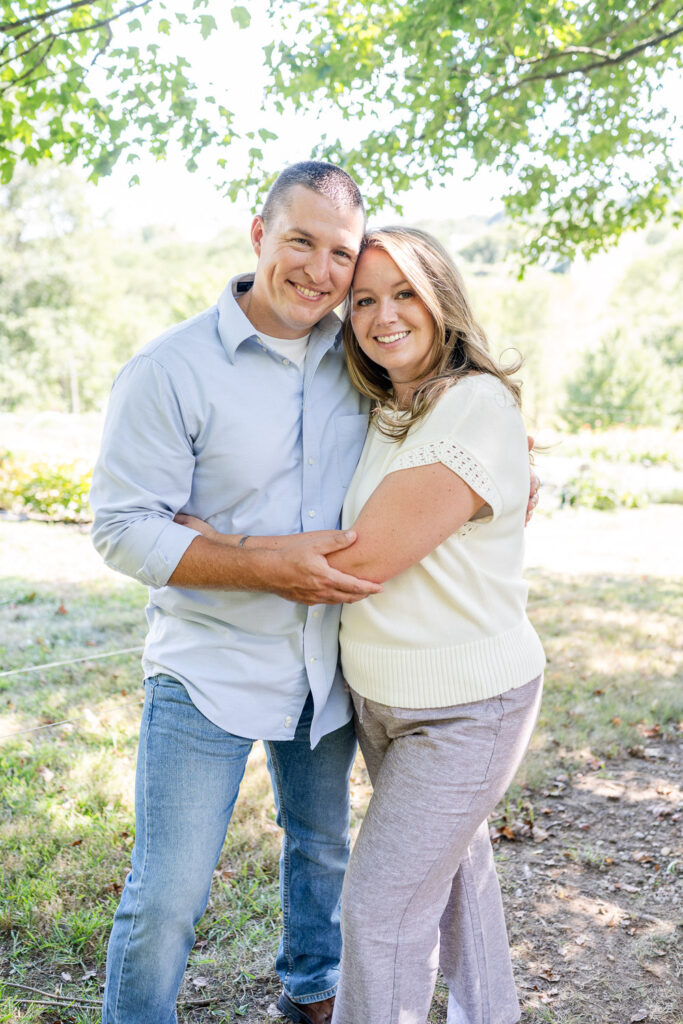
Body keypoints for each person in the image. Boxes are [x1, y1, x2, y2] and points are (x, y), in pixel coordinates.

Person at [91, 162, 539, 1024]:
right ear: (260, 236)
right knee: (169, 895)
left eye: (342, 253)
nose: (325, 273)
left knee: (327, 857)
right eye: (301, 241)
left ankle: (313, 991)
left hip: (327, 669)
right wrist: (253, 561)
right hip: (208, 666)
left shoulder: (360, 360)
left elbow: (439, 448)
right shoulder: (171, 369)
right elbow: (120, 528)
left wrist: (509, 457)